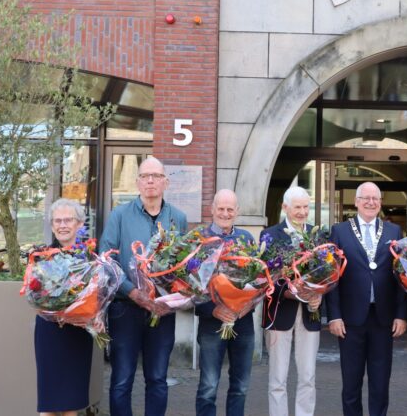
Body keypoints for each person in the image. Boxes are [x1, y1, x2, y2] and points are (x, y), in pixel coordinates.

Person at [100, 157, 187, 416]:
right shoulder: (119, 215)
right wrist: (133, 292)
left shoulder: (178, 218)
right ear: (137, 182)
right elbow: (107, 260)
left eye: (156, 176)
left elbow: (184, 264)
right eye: (145, 176)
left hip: (162, 311)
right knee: (122, 380)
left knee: (158, 379)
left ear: (165, 182)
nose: (150, 180)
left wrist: (171, 297)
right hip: (125, 309)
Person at [326, 181, 407, 416]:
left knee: (380, 383)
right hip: (350, 320)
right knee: (351, 383)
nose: (371, 202)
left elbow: (401, 277)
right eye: (366, 198)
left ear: (380, 202)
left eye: (375, 198)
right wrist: (334, 316)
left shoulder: (394, 232)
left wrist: (402, 315)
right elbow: (332, 277)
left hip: (383, 319)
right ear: (357, 201)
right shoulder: (339, 231)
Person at [261, 186, 322, 416]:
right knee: (278, 378)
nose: (302, 212)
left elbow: (325, 273)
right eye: (297, 207)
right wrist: (288, 291)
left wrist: (318, 295)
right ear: (285, 207)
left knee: (308, 376)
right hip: (279, 313)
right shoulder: (270, 235)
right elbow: (265, 277)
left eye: (306, 207)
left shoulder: (317, 236)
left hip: (310, 313)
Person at [194, 189, 255, 416]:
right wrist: (213, 309)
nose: (225, 213)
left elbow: (257, 279)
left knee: (241, 386)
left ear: (237, 212)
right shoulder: (200, 239)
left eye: (230, 209)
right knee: (208, 386)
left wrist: (246, 306)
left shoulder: (246, 239)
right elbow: (190, 286)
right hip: (212, 321)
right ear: (212, 210)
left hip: (243, 322)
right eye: (221, 208)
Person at [34, 198, 94, 416]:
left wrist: (93, 314)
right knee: (48, 403)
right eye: (57, 221)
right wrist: (53, 310)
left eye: (68, 220)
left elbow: (99, 295)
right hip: (50, 333)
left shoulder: (90, 257)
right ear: (52, 226)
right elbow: (35, 295)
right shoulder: (41, 257)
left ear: (79, 224)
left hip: (77, 332)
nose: (62, 225)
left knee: (72, 403)